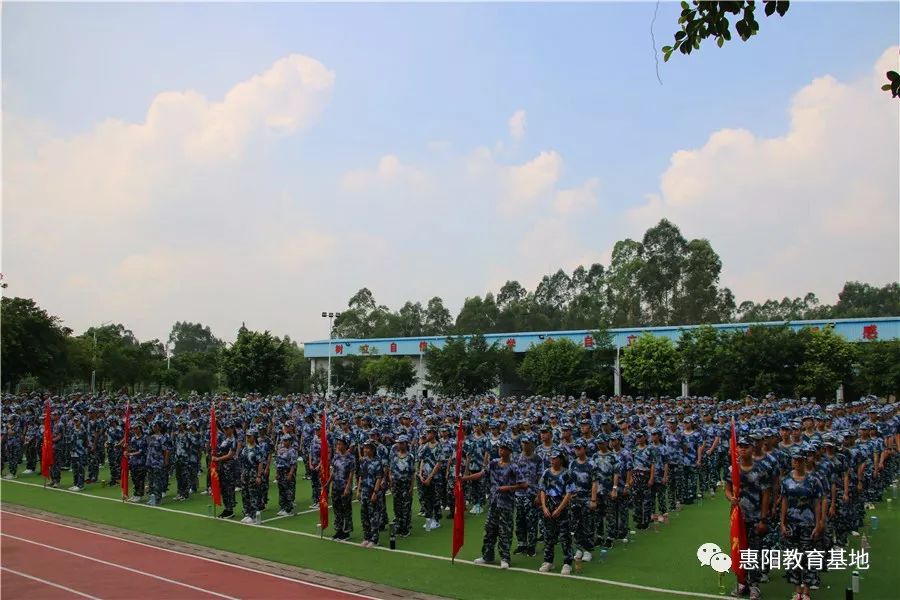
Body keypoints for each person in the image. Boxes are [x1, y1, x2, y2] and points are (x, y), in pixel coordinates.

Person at [467, 439, 525, 569]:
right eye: (500, 448)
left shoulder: (513, 466)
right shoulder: (493, 463)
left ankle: (505, 558)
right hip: (493, 503)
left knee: (505, 532)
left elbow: (524, 485)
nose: (501, 450)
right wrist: (464, 479)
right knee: (489, 530)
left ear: (509, 451)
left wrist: (509, 488)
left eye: (504, 448)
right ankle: (487, 556)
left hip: (506, 504)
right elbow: (481, 474)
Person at [725, 437, 769, 600]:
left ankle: (754, 585)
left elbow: (765, 495)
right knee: (740, 549)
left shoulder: (761, 469)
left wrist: (764, 519)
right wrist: (731, 498)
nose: (743, 449)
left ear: (752, 448)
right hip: (738, 517)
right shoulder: (732, 469)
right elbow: (727, 489)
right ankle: (742, 582)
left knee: (754, 551)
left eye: (746, 447)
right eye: (740, 447)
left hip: (756, 516)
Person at [781, 446, 822, 600]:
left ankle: (806, 591)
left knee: (807, 557)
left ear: (805, 461)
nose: (797, 462)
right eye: (794, 460)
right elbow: (784, 502)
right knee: (793, 557)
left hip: (807, 523)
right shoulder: (786, 480)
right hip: (791, 523)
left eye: (800, 460)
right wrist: (782, 522)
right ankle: (797, 590)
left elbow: (817, 503)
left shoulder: (813, 480)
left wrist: (818, 524)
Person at [538, 449, 575, 575]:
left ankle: (567, 563)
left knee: (565, 536)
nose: (553, 460)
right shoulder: (546, 473)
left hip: (562, 508)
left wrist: (560, 509)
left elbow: (569, 493)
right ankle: (548, 561)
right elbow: (543, 490)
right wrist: (544, 507)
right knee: (548, 536)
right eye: (552, 458)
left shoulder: (566, 473)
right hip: (549, 507)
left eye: (555, 458)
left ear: (560, 459)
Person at [513, 433, 542, 557]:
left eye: (527, 443)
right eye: (523, 443)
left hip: (532, 494)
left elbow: (541, 477)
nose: (525, 445)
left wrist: (539, 494)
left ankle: (531, 546)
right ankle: (521, 544)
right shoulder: (516, 458)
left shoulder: (538, 459)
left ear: (532, 444)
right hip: (519, 494)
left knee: (532, 521)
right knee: (520, 520)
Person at [358, 440, 384, 547]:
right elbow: (361, 476)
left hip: (372, 492)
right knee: (364, 515)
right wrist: (359, 490)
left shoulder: (377, 462)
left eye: (367, 448)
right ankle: (366, 537)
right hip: (364, 491)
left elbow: (379, 478)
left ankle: (374, 539)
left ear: (372, 449)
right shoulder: (363, 461)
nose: (365, 450)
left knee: (374, 516)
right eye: (364, 448)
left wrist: (375, 492)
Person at [418, 426, 445, 530]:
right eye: (426, 433)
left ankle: (436, 520)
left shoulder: (439, 446)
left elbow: (438, 464)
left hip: (435, 477)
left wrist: (430, 477)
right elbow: (422, 460)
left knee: (435, 499)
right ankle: (429, 519)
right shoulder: (425, 446)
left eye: (429, 433)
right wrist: (420, 474)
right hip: (425, 476)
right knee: (426, 499)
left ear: (434, 433)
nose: (427, 435)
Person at [329, 436, 356, 539]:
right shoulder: (336, 456)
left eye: (340, 444)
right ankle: (338, 530)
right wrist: (328, 483)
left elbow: (351, 474)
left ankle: (346, 532)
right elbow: (334, 471)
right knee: (337, 509)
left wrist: (348, 488)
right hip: (336, 486)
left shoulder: (350, 457)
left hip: (344, 487)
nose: (338, 446)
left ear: (345, 445)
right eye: (337, 444)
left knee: (346, 509)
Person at [389, 434, 415, 537]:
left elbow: (412, 473)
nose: (399, 445)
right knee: (397, 506)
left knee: (406, 507)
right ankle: (399, 526)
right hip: (396, 484)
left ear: (406, 444)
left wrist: (411, 487)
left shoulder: (410, 457)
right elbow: (391, 470)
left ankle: (405, 528)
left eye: (401, 443)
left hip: (406, 484)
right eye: (398, 443)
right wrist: (391, 482)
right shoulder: (395, 456)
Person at [212, 421, 238, 519]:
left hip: (229, 467)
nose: (226, 430)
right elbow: (221, 451)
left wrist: (217, 459)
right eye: (224, 429)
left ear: (232, 429)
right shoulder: (225, 439)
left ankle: (230, 509)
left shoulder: (233, 440)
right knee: (223, 488)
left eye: (227, 428)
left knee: (229, 488)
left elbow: (230, 455)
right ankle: (226, 508)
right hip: (222, 467)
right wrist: (215, 454)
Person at [239, 427, 264, 523]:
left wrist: (258, 476)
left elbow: (260, 463)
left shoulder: (257, 449)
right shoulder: (245, 448)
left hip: (253, 473)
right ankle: (247, 513)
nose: (247, 438)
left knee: (252, 494)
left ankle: (253, 515)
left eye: (250, 436)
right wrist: (242, 473)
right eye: (247, 436)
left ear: (254, 437)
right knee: (245, 493)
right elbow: (242, 461)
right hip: (245, 473)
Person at [275, 433, 298, 517]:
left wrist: (290, 474)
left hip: (287, 471)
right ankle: (283, 507)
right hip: (281, 472)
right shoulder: (281, 450)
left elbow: (293, 464)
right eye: (283, 440)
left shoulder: (292, 451)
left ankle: (289, 509)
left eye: (286, 440)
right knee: (281, 490)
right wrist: (277, 473)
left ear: (290, 441)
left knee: (288, 490)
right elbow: (278, 462)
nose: (284, 442)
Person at [127, 422, 147, 501]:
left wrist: (130, 453)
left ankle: (139, 494)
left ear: (140, 428)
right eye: (134, 428)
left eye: (136, 428)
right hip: (133, 462)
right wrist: (126, 448)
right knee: (134, 478)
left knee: (140, 479)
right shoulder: (133, 438)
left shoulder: (144, 438)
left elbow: (142, 451)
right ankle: (135, 493)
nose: (135, 430)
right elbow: (132, 448)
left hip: (141, 461)